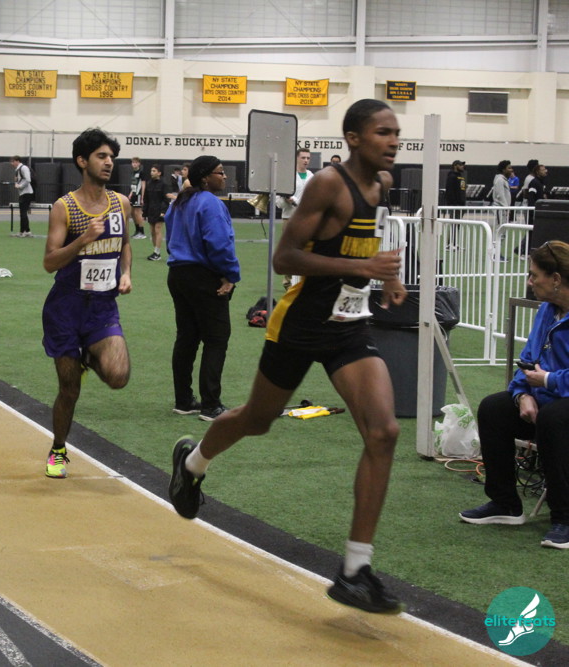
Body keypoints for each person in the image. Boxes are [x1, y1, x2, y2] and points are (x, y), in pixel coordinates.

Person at [168, 99, 408, 614]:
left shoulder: (383, 185)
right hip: (300, 324)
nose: (393, 141)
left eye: (396, 133)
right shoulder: (327, 184)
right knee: (257, 420)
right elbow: (285, 258)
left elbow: (362, 245)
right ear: (353, 138)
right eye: (382, 133)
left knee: (384, 432)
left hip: (348, 327)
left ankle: (355, 571)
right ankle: (191, 463)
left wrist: (385, 276)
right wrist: (361, 269)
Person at [459, 240, 569, 549]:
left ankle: (564, 517)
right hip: (548, 400)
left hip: (558, 406)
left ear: (556, 279)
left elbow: (542, 374)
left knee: (553, 418)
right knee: (493, 408)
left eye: (534, 275)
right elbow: (528, 358)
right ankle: (505, 504)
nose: (529, 282)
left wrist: (547, 380)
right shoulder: (547, 310)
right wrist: (522, 394)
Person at [41, 127, 132, 479]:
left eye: (112, 157)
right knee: (70, 389)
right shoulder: (64, 207)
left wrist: (126, 273)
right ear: (82, 161)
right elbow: (50, 262)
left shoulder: (120, 203)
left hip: (102, 307)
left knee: (118, 376)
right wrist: (82, 240)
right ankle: (58, 449)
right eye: (101, 156)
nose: (109, 163)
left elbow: (125, 243)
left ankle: (90, 357)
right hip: (66, 308)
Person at [165, 155, 240, 421]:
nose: (225, 176)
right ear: (206, 177)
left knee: (187, 337)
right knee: (216, 338)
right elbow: (219, 244)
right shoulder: (211, 203)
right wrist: (230, 275)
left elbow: (170, 237)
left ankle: (184, 400)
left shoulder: (179, 202)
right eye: (220, 172)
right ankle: (211, 405)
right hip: (203, 276)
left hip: (178, 274)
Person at [143, 164, 174, 261]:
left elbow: (166, 199)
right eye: (151, 171)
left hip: (160, 210)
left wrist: (163, 211)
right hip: (151, 210)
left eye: (154, 171)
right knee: (152, 231)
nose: (152, 173)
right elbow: (146, 199)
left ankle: (157, 252)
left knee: (158, 230)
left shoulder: (164, 184)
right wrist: (144, 212)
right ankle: (156, 252)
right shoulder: (149, 183)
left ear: (159, 173)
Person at [277, 148, 313, 220]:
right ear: (296, 158)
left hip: (307, 217)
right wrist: (286, 201)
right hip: (289, 217)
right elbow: (278, 202)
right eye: (303, 158)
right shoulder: (288, 175)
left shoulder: (312, 176)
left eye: (308, 158)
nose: (306, 160)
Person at [444, 160, 466, 249]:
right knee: (454, 223)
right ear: (455, 166)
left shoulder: (460, 176)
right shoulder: (452, 176)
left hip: (461, 205)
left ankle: (454, 243)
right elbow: (449, 191)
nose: (462, 167)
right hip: (455, 205)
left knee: (457, 224)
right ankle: (450, 244)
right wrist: (453, 203)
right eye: (460, 165)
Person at [10, 155, 34, 237]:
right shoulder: (18, 169)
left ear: (17, 161)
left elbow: (28, 179)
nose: (12, 163)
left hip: (26, 193)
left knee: (23, 213)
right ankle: (25, 231)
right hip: (23, 193)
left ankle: (24, 231)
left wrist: (20, 186)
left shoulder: (23, 168)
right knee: (22, 213)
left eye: (13, 162)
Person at [128, 157, 147, 239]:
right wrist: (131, 193)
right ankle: (137, 230)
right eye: (133, 162)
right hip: (133, 194)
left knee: (137, 213)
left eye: (136, 162)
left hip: (138, 194)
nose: (134, 164)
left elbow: (143, 184)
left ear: (139, 163)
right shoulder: (133, 172)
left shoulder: (141, 172)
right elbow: (134, 184)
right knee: (132, 212)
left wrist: (142, 196)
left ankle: (142, 232)